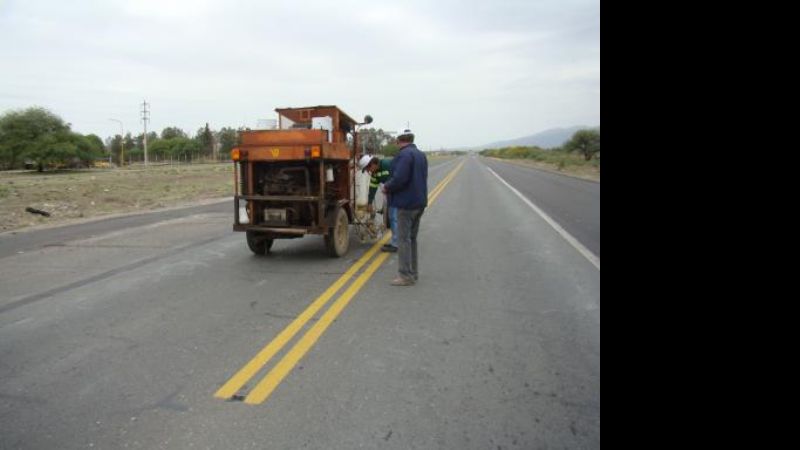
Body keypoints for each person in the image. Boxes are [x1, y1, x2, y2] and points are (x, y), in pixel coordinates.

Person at [382, 128, 428, 286]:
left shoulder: (403, 155)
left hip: (405, 204)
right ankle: (413, 273)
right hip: (419, 203)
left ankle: (405, 275)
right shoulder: (421, 155)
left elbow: (400, 178)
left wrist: (387, 187)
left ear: (398, 141)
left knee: (403, 240)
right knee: (412, 239)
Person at [358, 154, 398, 252]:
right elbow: (372, 187)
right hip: (392, 194)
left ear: (372, 164)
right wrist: (370, 203)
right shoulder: (375, 174)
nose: (368, 171)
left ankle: (396, 243)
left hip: (398, 194)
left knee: (394, 218)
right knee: (393, 217)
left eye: (367, 169)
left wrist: (388, 188)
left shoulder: (387, 164)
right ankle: (397, 241)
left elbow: (397, 179)